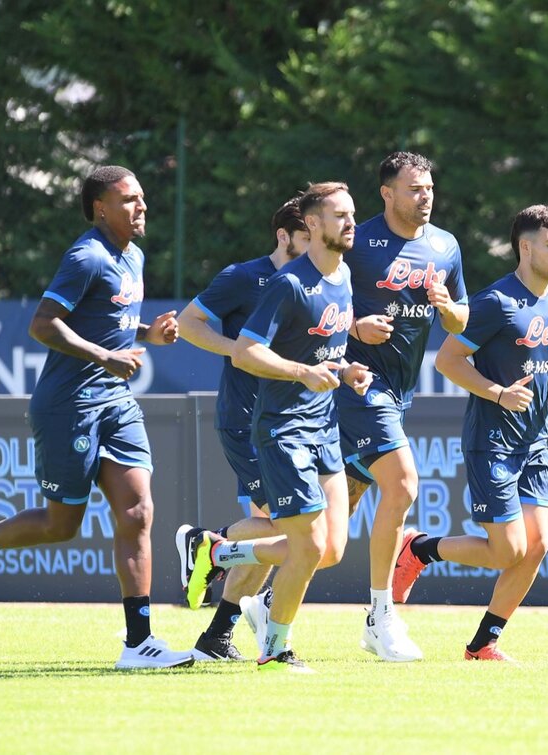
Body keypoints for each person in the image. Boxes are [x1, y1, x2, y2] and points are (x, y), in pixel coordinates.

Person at [0, 165, 194, 669]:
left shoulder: (131, 255)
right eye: (129, 199)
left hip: (115, 402)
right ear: (100, 208)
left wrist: (145, 335)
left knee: (138, 513)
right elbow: (43, 324)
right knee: (60, 525)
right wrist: (104, 356)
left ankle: (139, 643)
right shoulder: (86, 256)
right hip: (67, 406)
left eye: (142, 198)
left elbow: (108, 319)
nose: (142, 207)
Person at [392, 205, 548, 661]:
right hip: (492, 440)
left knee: (538, 544)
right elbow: (447, 360)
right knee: (507, 551)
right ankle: (419, 548)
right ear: (525, 246)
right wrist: (497, 393)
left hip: (535, 443)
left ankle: (483, 644)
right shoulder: (495, 302)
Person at [181, 181, 372, 673]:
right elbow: (245, 352)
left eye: (353, 214)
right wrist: (300, 372)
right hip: (282, 429)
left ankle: (220, 550)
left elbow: (328, 349)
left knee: (329, 550)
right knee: (305, 548)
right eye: (339, 215)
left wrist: (346, 368)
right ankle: (276, 648)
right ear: (310, 224)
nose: (351, 223)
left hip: (323, 429)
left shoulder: (344, 277)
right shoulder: (286, 283)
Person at [335, 151, 468, 662]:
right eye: (414, 188)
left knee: (334, 517)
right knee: (404, 483)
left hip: (399, 391)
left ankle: (257, 592)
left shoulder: (446, 246)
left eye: (430, 187)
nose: (426, 196)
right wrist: (353, 327)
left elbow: (462, 321)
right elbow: (311, 295)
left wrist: (446, 306)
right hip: (357, 383)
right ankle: (380, 614)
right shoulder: (359, 242)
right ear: (387, 193)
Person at [174, 196, 310, 661]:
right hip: (248, 420)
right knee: (289, 526)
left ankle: (217, 633)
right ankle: (208, 546)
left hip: (294, 421)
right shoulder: (243, 277)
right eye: (306, 234)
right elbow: (187, 323)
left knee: (277, 534)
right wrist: (239, 349)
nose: (316, 243)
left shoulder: (318, 281)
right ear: (284, 235)